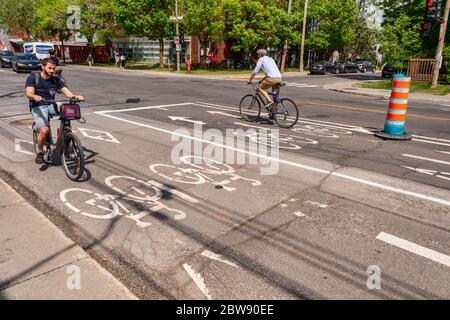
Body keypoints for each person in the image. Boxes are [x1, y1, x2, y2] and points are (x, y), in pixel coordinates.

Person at [25, 57, 84, 164]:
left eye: (53, 68)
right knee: (44, 130)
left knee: (66, 108)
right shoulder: (33, 77)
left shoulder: (56, 79)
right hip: (38, 106)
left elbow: (67, 92)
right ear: (42, 67)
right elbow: (29, 93)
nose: (52, 71)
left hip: (51, 105)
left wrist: (75, 96)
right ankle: (40, 152)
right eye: (49, 68)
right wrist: (34, 96)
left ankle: (65, 132)